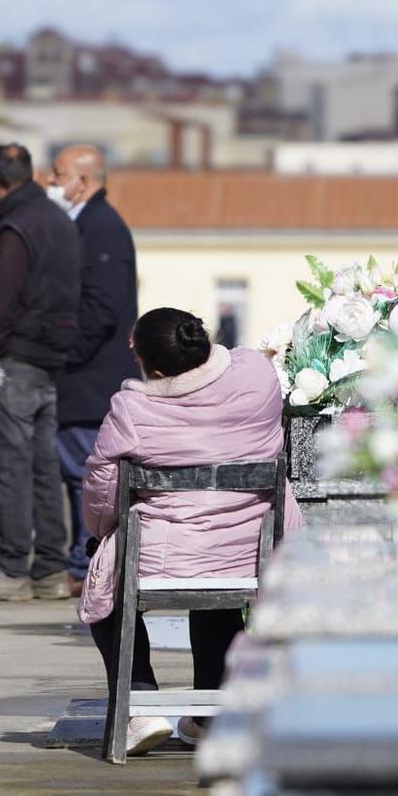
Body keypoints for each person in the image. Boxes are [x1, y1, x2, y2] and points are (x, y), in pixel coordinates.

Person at [77, 308, 303, 757]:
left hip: (166, 550)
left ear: (153, 368)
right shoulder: (257, 376)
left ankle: (140, 704)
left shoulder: (132, 409)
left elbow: (102, 493)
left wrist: (102, 534)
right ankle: (207, 717)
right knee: (216, 573)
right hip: (250, 547)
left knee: (103, 572)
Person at [0, 143, 80, 602]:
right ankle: (50, 568)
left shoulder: (13, 230)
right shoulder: (61, 223)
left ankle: (10, 568)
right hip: (51, 358)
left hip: (13, 359)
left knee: (12, 467)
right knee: (43, 466)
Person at [50, 145, 140, 596]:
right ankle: (83, 565)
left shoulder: (101, 229)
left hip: (89, 381)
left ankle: (88, 569)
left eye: (58, 175)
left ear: (82, 182)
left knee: (90, 482)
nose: (52, 184)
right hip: (84, 378)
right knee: (79, 478)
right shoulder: (88, 225)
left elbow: (100, 309)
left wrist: (60, 355)